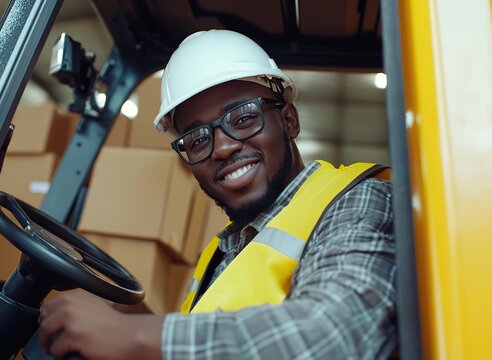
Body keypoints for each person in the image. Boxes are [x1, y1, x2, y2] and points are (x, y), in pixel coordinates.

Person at [39, 29, 397, 359]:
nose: (223, 147)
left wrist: (136, 335)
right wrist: (125, 314)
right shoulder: (225, 249)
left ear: (289, 120)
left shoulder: (358, 199)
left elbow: (339, 334)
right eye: (197, 139)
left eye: (242, 118)